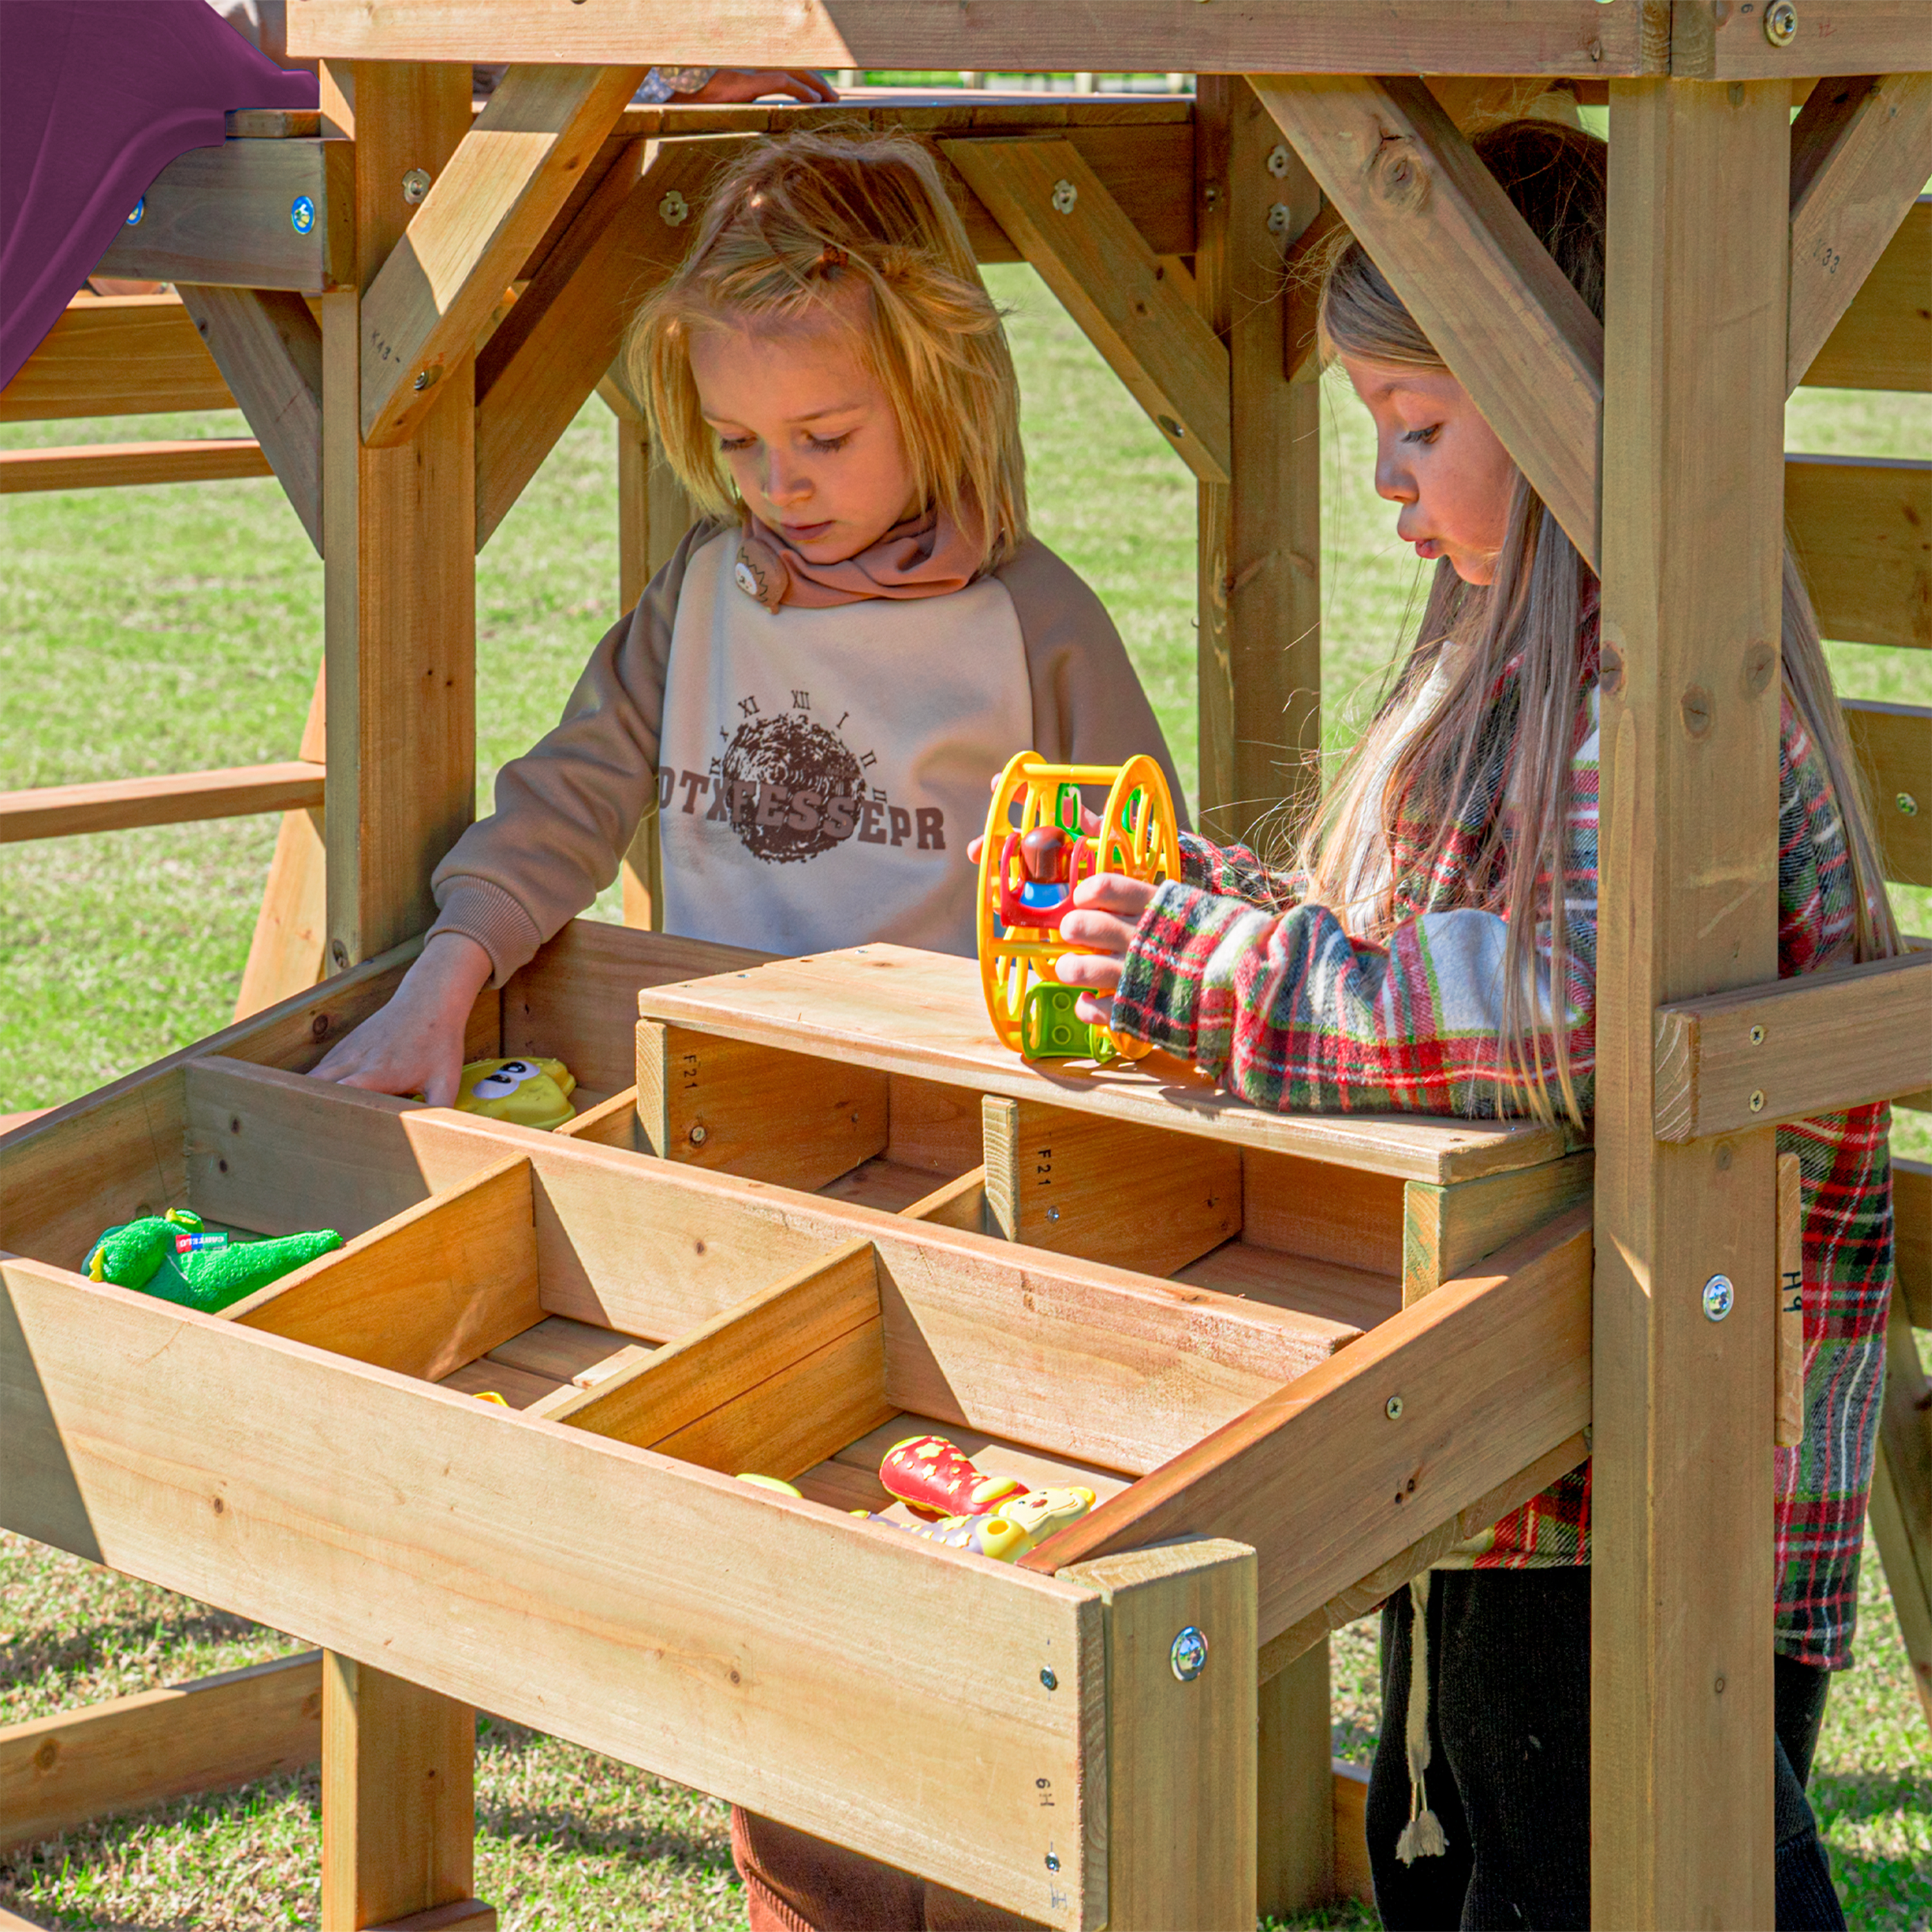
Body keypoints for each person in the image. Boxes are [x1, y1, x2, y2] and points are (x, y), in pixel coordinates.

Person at [1053, 119, 1894, 1931]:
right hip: (1520, 1437)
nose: (1381, 479)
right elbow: (1442, 954)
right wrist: (1246, 917)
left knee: (1641, 1874)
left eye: (1417, 424)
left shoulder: (1667, 693)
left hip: (1648, 1459)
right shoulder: (1518, 652)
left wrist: (1227, 986)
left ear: (1578, 397)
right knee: (1460, 1855)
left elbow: (1560, 1003)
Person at [312, 128, 1182, 1112]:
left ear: (943, 393)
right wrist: (442, 983)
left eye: (825, 437)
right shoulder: (701, 589)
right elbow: (570, 797)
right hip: (718, 1081)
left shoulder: (1034, 621)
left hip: (940, 1103)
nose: (780, 485)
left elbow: (1146, 893)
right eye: (737, 441)